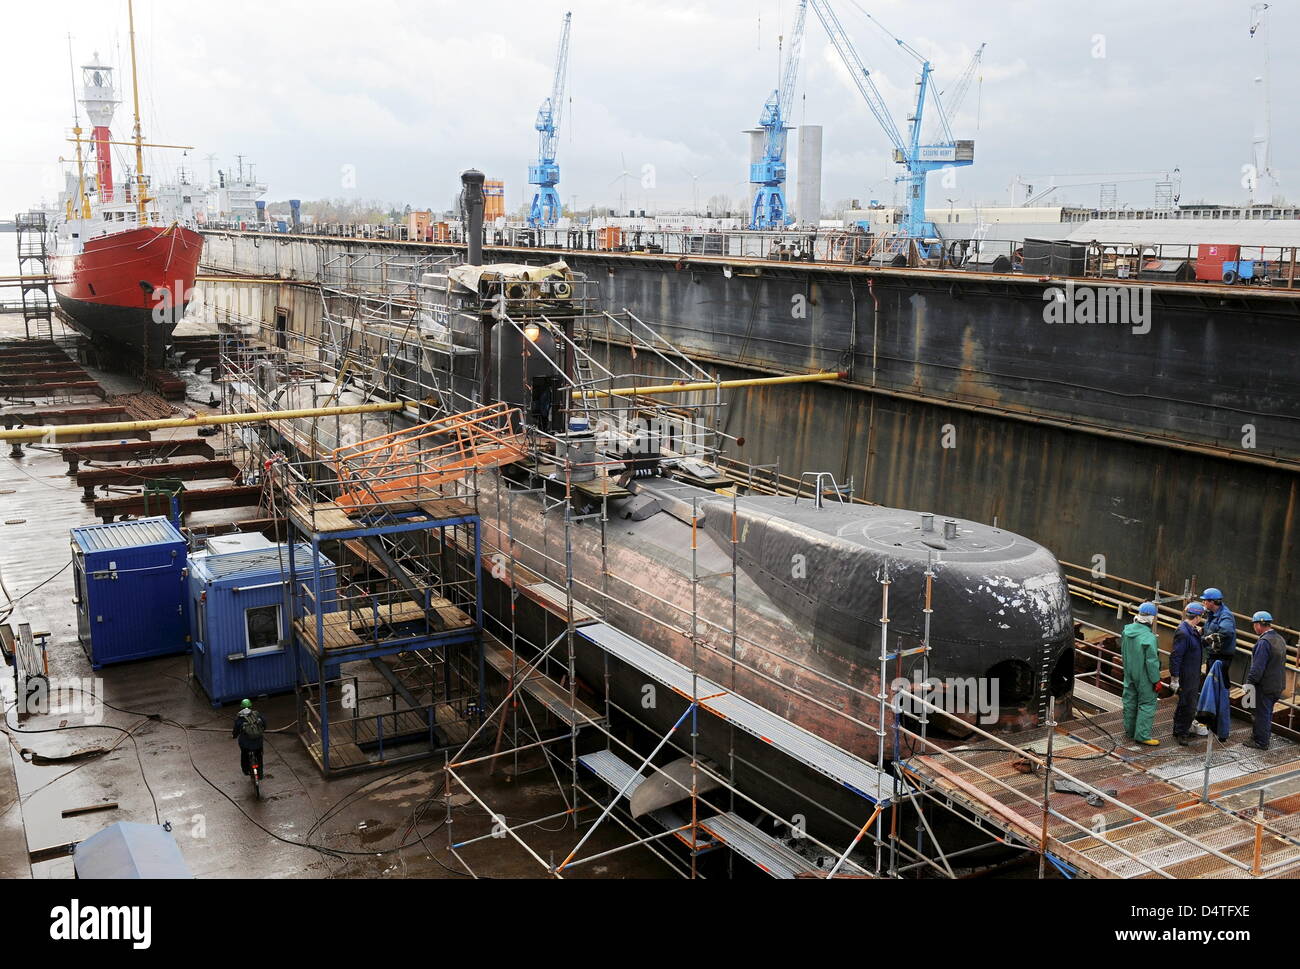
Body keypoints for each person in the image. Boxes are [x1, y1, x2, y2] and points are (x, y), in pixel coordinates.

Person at [1244, 612, 1287, 750]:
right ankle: (1260, 736)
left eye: (1254, 625)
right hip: (1278, 684)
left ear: (1258, 625)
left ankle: (1261, 742)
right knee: (1267, 713)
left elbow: (1257, 668)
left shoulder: (1264, 643)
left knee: (1261, 714)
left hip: (1265, 686)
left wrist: (1249, 683)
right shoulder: (1279, 639)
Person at [1122, 602, 1162, 746]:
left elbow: (1123, 652)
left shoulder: (1126, 631)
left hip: (1129, 672)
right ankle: (1142, 735)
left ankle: (1130, 730)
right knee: (1147, 704)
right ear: (1152, 618)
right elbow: (1152, 662)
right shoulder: (1149, 638)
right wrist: (1156, 680)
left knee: (1130, 701)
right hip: (1144, 676)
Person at [1170, 602, 1205, 745]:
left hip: (1192, 673)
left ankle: (1179, 730)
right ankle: (1182, 733)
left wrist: (1205, 641)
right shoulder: (1183, 632)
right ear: (1197, 617)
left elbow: (1193, 647)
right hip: (1187, 675)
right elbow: (1176, 656)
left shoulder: (1191, 630)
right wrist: (1175, 678)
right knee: (1189, 705)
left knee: (1185, 704)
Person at [1200, 588, 1237, 688]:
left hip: (1221, 658)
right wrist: (1199, 632)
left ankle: (1221, 702)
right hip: (1213, 656)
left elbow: (1227, 631)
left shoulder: (1225, 615)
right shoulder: (1212, 614)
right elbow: (1210, 628)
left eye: (1205, 600)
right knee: (1211, 683)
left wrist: (1207, 641)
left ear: (1212, 602)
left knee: (1218, 684)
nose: (1203, 603)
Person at [232, 699, 267, 777]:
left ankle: (245, 770)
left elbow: (236, 731)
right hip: (258, 742)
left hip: (245, 744)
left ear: (242, 707)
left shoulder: (240, 719)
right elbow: (264, 724)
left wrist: (234, 736)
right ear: (251, 706)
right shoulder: (257, 715)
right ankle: (260, 774)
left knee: (244, 755)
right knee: (259, 756)